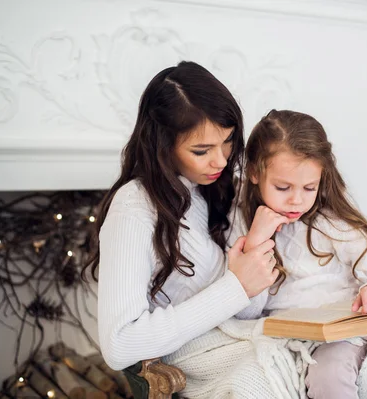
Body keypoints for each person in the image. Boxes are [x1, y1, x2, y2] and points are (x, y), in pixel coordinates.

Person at [82, 61, 279, 371]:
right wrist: (235, 287)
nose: (221, 161)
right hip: (196, 365)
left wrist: (250, 274)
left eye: (227, 143)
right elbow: (119, 346)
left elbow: (247, 311)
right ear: (162, 146)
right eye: (201, 151)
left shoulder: (214, 189)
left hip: (241, 346)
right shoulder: (133, 208)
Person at [231, 109, 367, 398]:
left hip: (340, 333)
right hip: (286, 336)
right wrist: (256, 243)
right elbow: (246, 312)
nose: (297, 199)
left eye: (309, 187)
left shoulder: (330, 223)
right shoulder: (240, 227)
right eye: (283, 187)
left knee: (329, 379)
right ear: (255, 173)